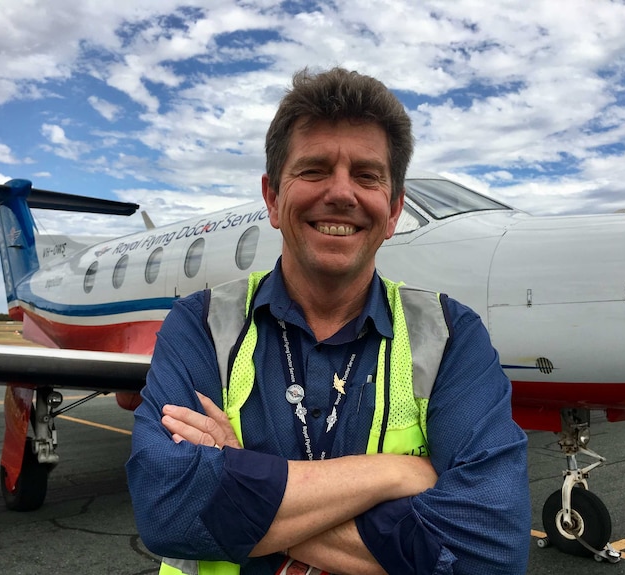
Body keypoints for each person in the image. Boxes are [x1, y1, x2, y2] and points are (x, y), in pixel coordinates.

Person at [126, 67, 530, 575]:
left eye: (367, 175)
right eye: (314, 170)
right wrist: (397, 473)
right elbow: (169, 509)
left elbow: (489, 554)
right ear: (272, 199)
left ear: (393, 210)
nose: (342, 193)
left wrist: (236, 481)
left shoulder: (450, 335)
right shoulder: (200, 323)